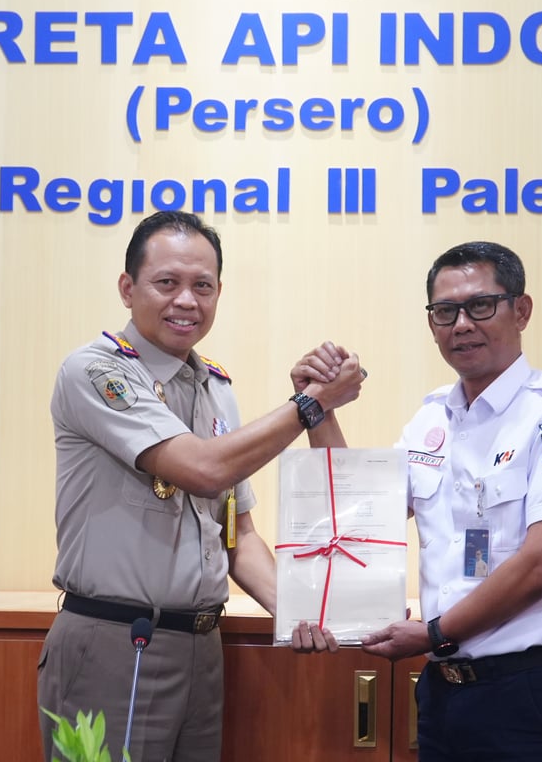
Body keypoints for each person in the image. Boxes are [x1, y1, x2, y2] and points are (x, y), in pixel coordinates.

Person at [37, 210, 365, 762]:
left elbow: (237, 534)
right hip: (117, 642)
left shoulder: (216, 388)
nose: (186, 300)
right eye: (167, 282)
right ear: (127, 288)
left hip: (201, 647)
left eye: (203, 286)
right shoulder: (97, 372)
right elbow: (203, 469)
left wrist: (298, 610)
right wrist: (310, 404)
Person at [299, 241, 542, 762]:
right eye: (445, 312)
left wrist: (434, 633)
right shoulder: (432, 417)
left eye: (480, 306)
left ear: (522, 311)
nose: (462, 324)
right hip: (443, 695)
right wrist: (317, 406)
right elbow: (360, 510)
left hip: (531, 693)